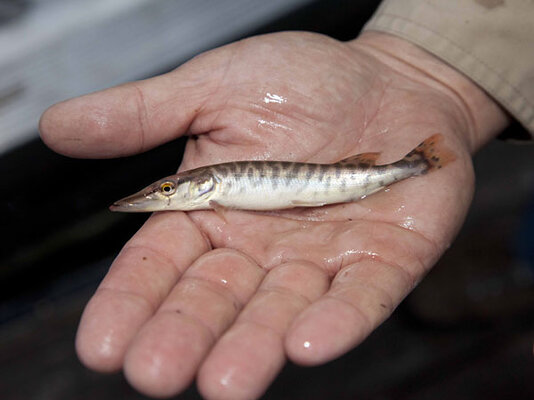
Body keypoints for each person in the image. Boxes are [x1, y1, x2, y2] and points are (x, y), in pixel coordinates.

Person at [38, 1, 533, 399]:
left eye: (167, 190)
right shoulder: (211, 195)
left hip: (366, 173)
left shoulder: (213, 192)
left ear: (195, 190)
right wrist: (445, 70)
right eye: (165, 190)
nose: (162, 194)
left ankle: (494, 235)